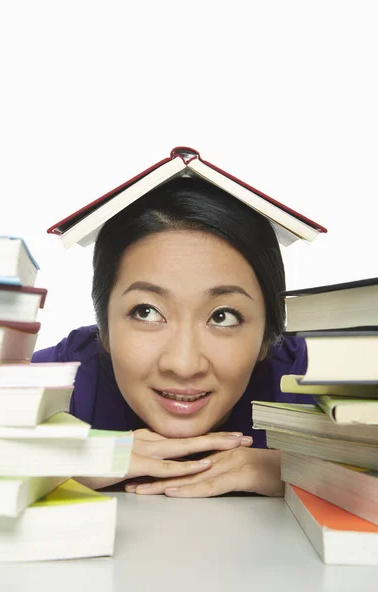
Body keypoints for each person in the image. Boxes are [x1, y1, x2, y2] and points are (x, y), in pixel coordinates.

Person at [33, 177, 312, 497]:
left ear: (267, 335)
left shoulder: (313, 379)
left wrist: (307, 473)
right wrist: (53, 464)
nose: (183, 365)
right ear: (104, 330)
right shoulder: (62, 379)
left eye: (223, 317)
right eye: (146, 312)